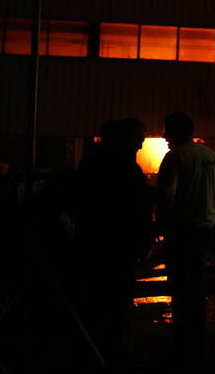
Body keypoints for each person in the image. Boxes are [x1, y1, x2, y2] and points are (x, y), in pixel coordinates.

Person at [72, 118, 152, 364]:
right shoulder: (125, 168)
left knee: (97, 299)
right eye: (138, 141)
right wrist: (144, 239)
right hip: (119, 247)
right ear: (124, 139)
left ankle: (94, 350)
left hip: (97, 244)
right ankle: (115, 352)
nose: (139, 147)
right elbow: (137, 207)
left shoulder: (91, 164)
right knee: (117, 300)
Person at [156, 112, 215, 371]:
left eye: (167, 131)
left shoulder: (175, 157)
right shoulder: (210, 155)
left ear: (175, 132)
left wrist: (161, 228)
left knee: (179, 284)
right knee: (196, 281)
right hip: (205, 229)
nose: (164, 136)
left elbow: (166, 196)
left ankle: (182, 339)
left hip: (182, 230)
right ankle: (198, 332)